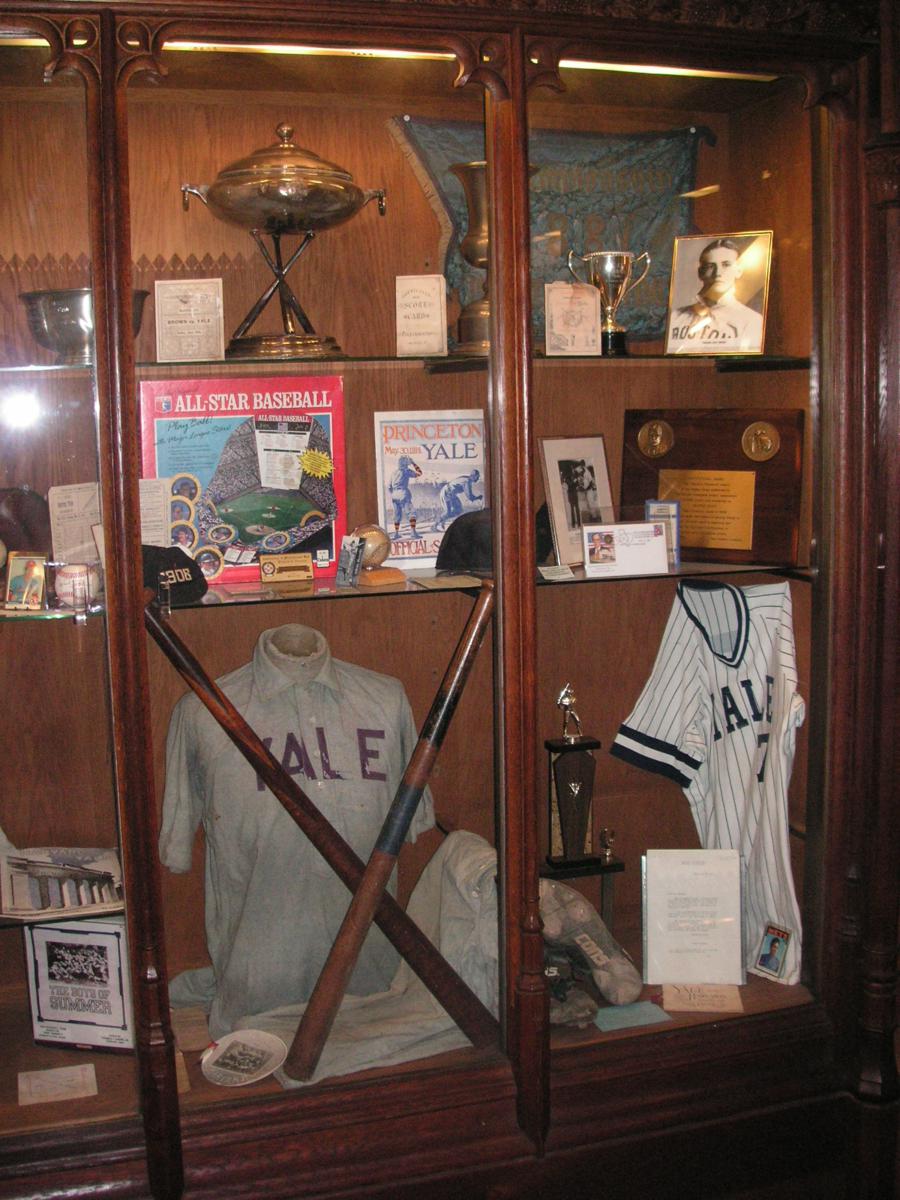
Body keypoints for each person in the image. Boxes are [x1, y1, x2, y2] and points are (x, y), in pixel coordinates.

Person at [668, 237, 764, 352]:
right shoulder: (675, 317)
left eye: (726, 265)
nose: (718, 273)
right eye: (710, 266)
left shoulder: (752, 321)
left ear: (738, 271)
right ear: (700, 273)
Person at [387, 455, 422, 539]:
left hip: (394, 495)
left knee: (397, 515)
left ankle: (396, 534)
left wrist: (394, 493)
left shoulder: (394, 473)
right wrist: (413, 463)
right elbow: (419, 473)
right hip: (403, 493)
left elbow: (389, 487)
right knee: (412, 513)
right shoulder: (406, 471)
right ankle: (413, 533)